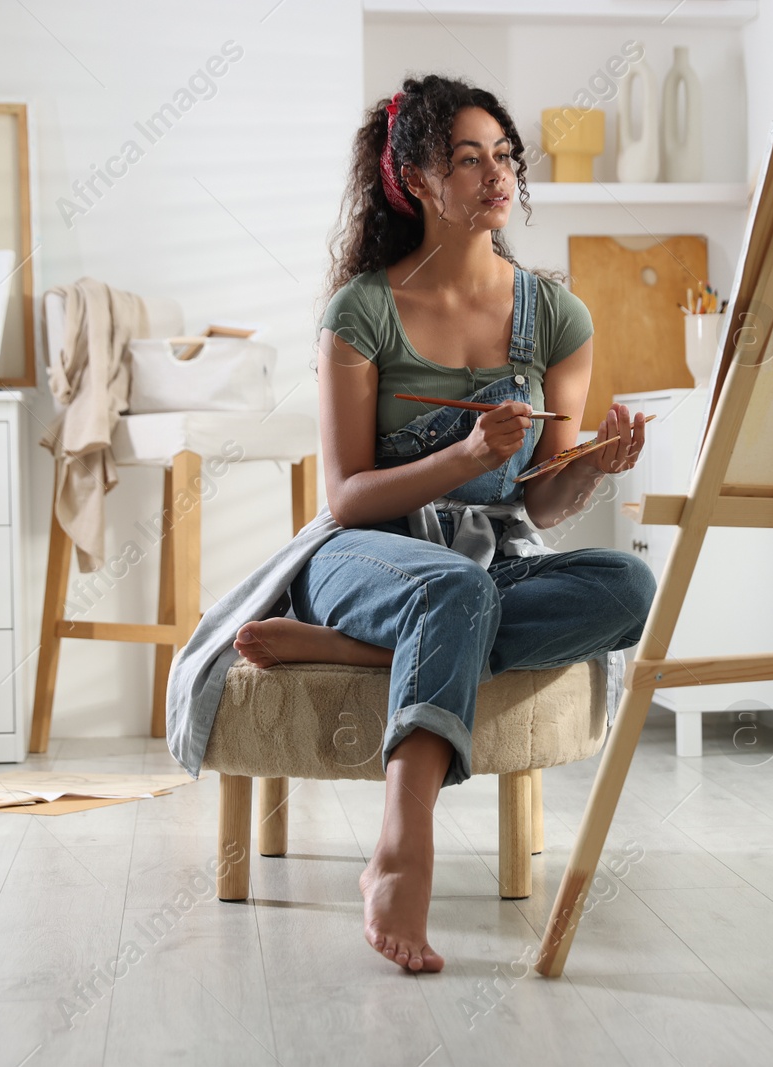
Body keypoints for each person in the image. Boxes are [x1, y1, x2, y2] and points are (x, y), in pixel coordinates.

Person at [230, 75, 656, 974]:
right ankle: (401, 844)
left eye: (504, 155)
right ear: (418, 178)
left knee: (629, 587)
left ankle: (371, 652)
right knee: (452, 586)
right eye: (468, 158)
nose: (495, 174)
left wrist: (591, 463)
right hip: (361, 558)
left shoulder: (556, 317)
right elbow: (345, 497)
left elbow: (538, 501)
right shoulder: (362, 312)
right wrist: (460, 458)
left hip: (486, 562)